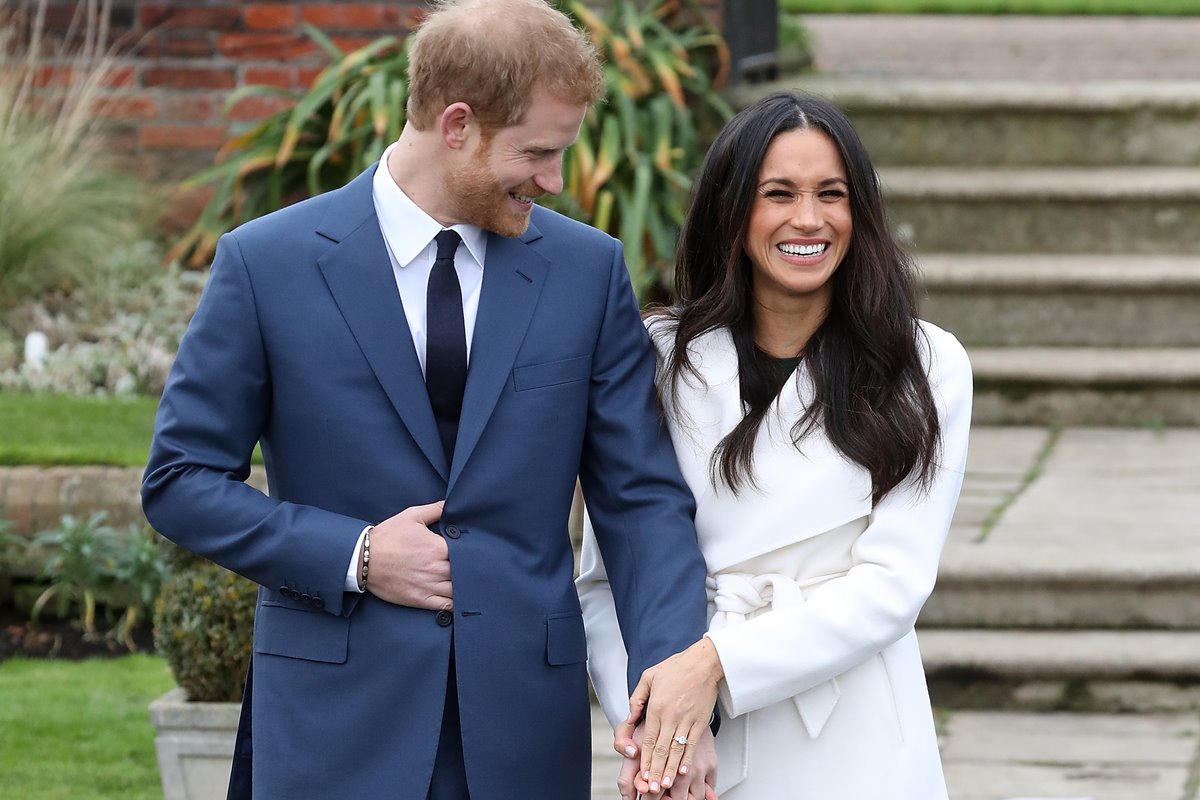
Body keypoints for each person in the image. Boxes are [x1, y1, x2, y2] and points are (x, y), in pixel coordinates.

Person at [141, 1, 715, 797]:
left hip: (522, 729)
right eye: (539, 153)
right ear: (456, 124)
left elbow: (642, 500)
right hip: (332, 724)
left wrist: (671, 687)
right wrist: (357, 556)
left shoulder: (587, 272)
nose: (554, 180)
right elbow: (179, 482)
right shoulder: (266, 264)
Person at [578, 90, 973, 799]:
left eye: (832, 194)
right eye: (778, 193)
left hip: (854, 730)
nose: (809, 219)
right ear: (733, 210)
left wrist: (717, 664)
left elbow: (893, 587)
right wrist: (661, 725)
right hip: (696, 745)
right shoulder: (658, 356)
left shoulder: (925, 364)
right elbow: (608, 578)